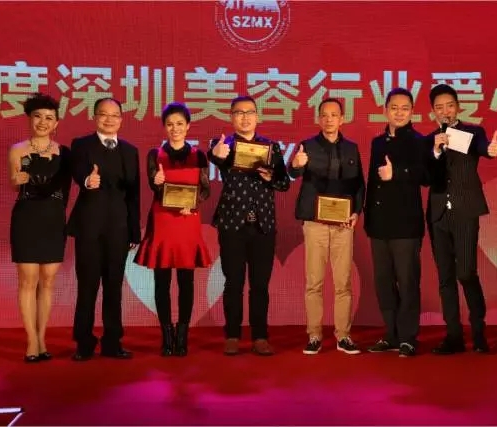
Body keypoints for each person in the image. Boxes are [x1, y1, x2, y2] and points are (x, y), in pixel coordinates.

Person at [207, 95, 290, 356]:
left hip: (263, 225)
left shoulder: (271, 147)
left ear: (257, 116)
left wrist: (270, 177)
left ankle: (260, 336)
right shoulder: (223, 144)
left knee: (260, 285)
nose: (245, 117)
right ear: (231, 117)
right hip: (232, 224)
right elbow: (216, 158)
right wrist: (215, 155)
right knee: (233, 282)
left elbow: (284, 184)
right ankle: (232, 334)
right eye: (239, 113)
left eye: (249, 112)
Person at [426, 84, 497, 355]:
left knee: (466, 272)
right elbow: (426, 175)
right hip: (438, 215)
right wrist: (436, 152)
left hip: (465, 212)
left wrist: (491, 150)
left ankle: (478, 332)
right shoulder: (430, 140)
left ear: (458, 107)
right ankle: (454, 336)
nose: (445, 111)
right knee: (445, 277)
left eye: (449, 105)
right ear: (433, 112)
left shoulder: (473, 132)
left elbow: (483, 147)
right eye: (439, 107)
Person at [134, 102, 212, 357]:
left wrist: (194, 204)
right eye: (170, 124)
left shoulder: (199, 155)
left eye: (179, 124)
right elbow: (154, 187)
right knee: (162, 280)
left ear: (188, 126)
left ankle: (182, 336)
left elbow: (205, 189)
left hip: (188, 221)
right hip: (163, 221)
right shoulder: (154, 155)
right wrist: (156, 181)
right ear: (164, 127)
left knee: (186, 281)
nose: (175, 128)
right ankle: (166, 336)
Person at [288, 98, 365, 355]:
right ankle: (314, 335)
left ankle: (344, 335)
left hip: (343, 223)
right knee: (314, 282)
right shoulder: (307, 146)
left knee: (343, 283)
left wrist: (356, 211)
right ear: (318, 119)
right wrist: (296, 165)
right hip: (315, 222)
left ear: (342, 119)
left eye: (334, 115)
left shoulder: (352, 149)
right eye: (324, 115)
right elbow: (292, 173)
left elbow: (359, 185)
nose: (329, 119)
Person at [67, 97, 141, 361]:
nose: (109, 119)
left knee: (113, 288)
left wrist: (134, 231)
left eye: (114, 115)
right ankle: (84, 343)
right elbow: (78, 172)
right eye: (103, 114)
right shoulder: (81, 145)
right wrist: (88, 180)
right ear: (95, 117)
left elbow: (133, 195)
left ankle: (112, 342)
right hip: (89, 227)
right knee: (87, 287)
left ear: (121, 119)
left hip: (118, 228)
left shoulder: (130, 151)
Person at [364, 88, 429, 357]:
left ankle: (408, 337)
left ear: (412, 112)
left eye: (405, 108)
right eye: (394, 108)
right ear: (385, 110)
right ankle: (390, 335)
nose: (399, 113)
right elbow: (372, 182)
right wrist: (367, 215)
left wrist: (397, 173)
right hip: (379, 225)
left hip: (406, 225)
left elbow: (426, 176)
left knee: (407, 281)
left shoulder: (419, 141)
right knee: (384, 283)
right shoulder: (377, 143)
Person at [8, 93, 71, 363]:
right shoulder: (18, 150)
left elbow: (67, 189)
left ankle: (43, 338)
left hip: (53, 219)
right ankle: (31, 341)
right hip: (26, 217)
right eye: (38, 117)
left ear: (56, 123)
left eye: (49, 118)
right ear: (29, 119)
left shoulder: (65, 153)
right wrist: (16, 178)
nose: (43, 122)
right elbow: (15, 182)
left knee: (48, 281)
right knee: (27, 280)